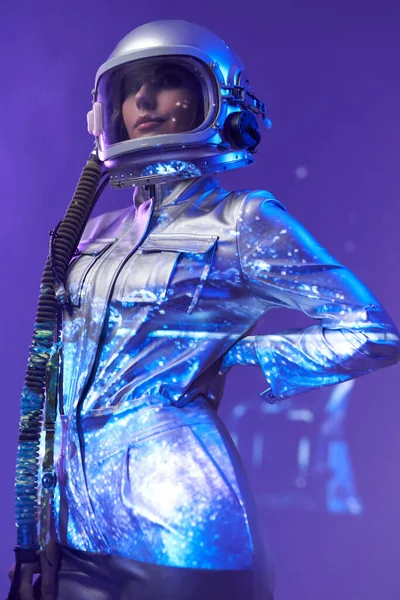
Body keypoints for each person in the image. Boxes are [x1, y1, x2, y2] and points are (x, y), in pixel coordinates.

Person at [9, 18, 400, 600]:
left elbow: (371, 333)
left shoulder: (244, 221)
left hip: (186, 536)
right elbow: (50, 389)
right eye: (131, 88)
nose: (143, 99)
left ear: (215, 99)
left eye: (167, 81)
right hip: (72, 539)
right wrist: (32, 532)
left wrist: (242, 352)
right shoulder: (90, 232)